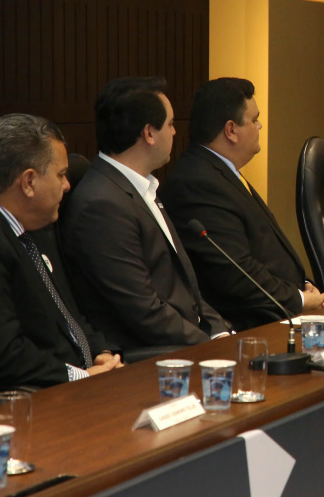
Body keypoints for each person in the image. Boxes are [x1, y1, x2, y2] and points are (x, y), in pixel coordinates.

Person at [0, 114, 122, 394]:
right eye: (61, 175)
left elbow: (69, 312)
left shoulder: (35, 220)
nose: (67, 186)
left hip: (81, 380)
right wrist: (82, 376)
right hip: (35, 399)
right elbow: (1, 352)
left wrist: (98, 351)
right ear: (28, 182)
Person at [60, 77, 230, 351]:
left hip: (188, 343)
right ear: (149, 133)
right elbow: (143, 312)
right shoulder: (102, 205)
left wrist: (220, 333)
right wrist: (212, 347)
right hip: (149, 359)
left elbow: (188, 291)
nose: (175, 133)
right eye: (171, 124)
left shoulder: (140, 186)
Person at [160, 78, 324, 331]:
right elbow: (235, 272)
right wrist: (299, 299)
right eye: (254, 119)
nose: (260, 126)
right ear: (231, 130)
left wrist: (302, 284)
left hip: (280, 313)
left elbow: (266, 251)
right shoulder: (197, 183)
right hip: (250, 328)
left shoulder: (221, 173)